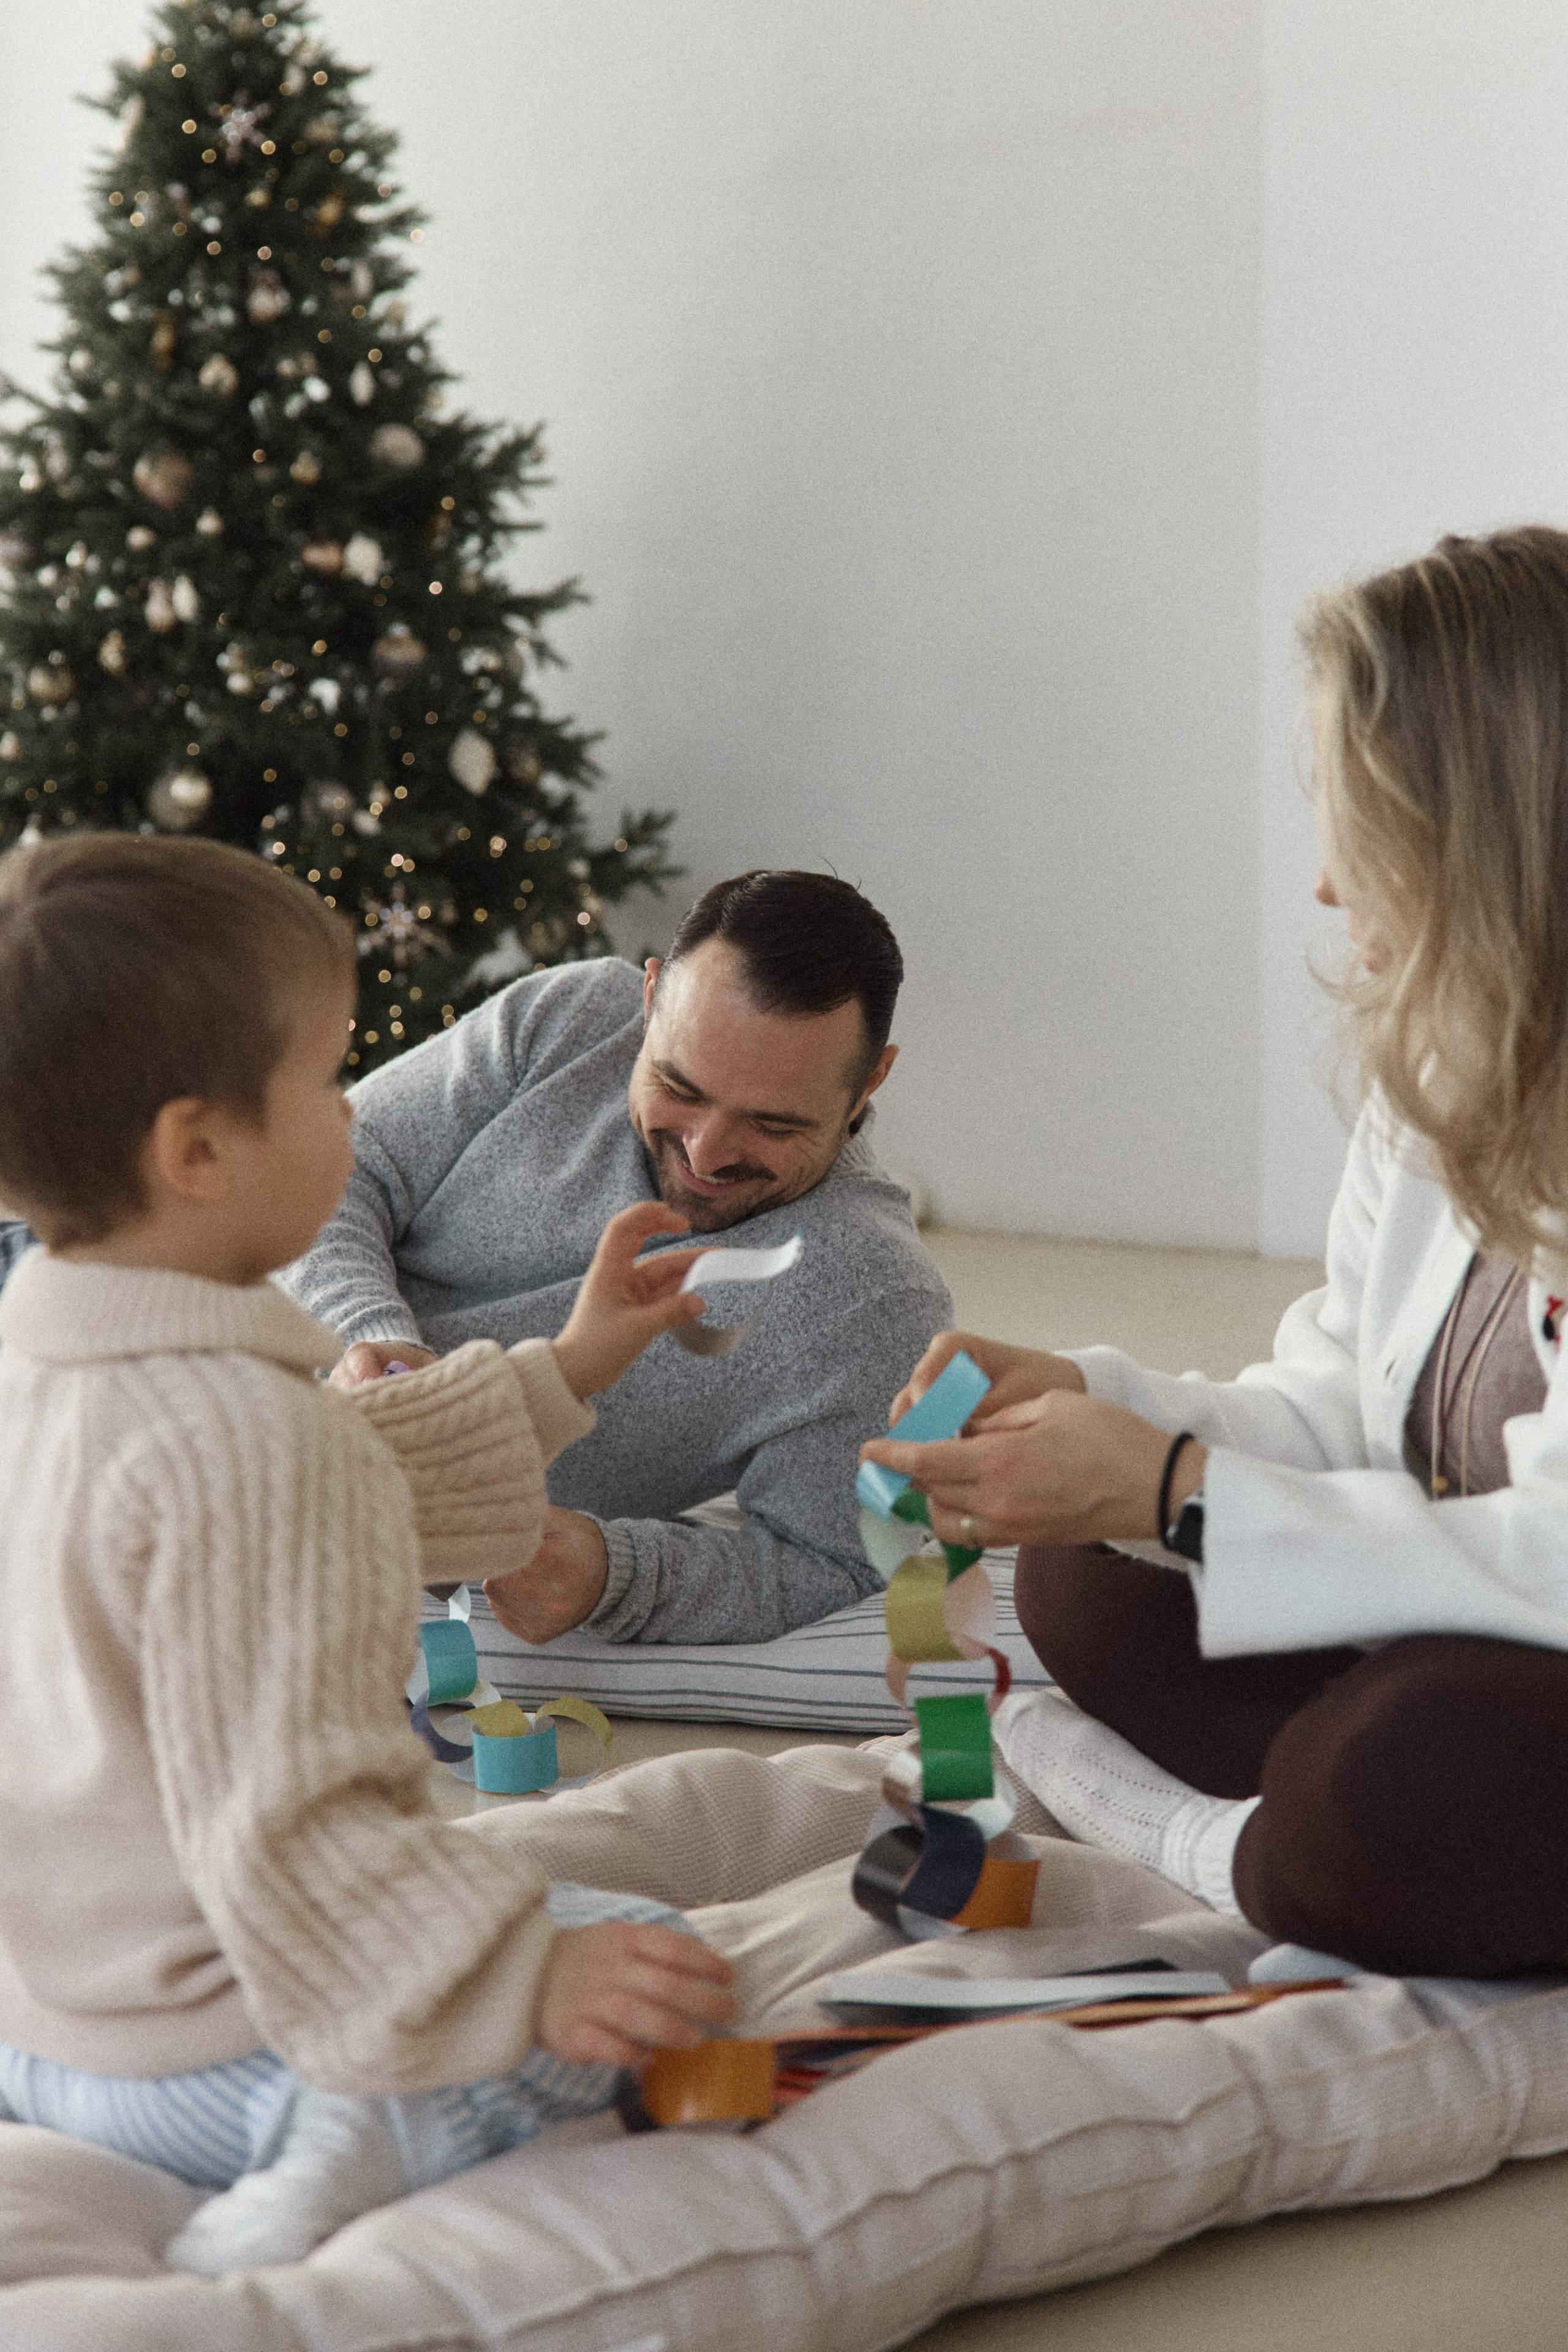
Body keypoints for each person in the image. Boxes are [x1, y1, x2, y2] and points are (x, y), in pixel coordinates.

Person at [0, 834, 738, 2274]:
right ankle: (357, 2136)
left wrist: (568, 1364)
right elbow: (300, 1809)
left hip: (41, 2020)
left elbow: (347, 1480)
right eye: (328, 1078)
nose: (352, 1111)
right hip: (227, 2055)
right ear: (198, 1152)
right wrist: (522, 1974)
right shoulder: (259, 1445)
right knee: (645, 1959)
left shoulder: (44, 1365)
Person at [861, 525, 1568, 1981]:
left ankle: (1206, 1844)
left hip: (1522, 1651)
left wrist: (1176, 1487)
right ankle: (1310, 1838)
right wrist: (1102, 1412)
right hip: (1470, 1631)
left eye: (1356, 824)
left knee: (1394, 1767)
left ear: (1480, 839)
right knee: (1086, 1572)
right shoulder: (1443, 1069)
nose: (1324, 885)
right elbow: (1338, 1409)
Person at [284, 869, 951, 1648]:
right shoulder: (570, 1016)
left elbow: (834, 1561)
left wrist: (616, 1573)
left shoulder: (875, 1299)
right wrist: (367, 1333)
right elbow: (328, 1168)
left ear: (870, 1081)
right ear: (650, 997)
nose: (705, 1152)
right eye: (678, 1086)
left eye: (773, 1125)